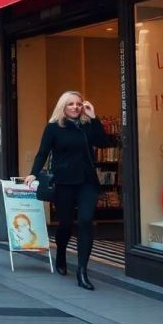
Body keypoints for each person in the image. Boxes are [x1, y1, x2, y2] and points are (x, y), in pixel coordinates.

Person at [24, 91, 108, 290]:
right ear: (63, 106)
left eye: (79, 104)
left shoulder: (87, 126)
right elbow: (42, 152)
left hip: (87, 181)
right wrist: (33, 173)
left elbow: (104, 143)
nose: (76, 107)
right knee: (65, 223)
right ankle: (61, 251)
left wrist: (94, 117)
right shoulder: (54, 128)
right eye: (71, 104)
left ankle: (82, 271)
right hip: (64, 181)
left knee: (86, 221)